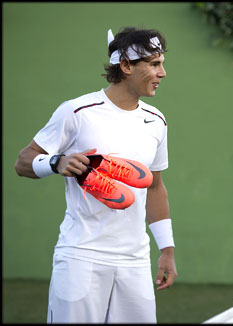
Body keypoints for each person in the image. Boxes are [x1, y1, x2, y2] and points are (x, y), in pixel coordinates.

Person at [14, 26, 177, 323]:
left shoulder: (156, 121)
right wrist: (56, 162)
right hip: (81, 257)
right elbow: (23, 161)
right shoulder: (77, 111)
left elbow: (154, 187)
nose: (162, 72)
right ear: (126, 66)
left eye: (161, 63)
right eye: (154, 64)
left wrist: (166, 249)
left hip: (135, 262)